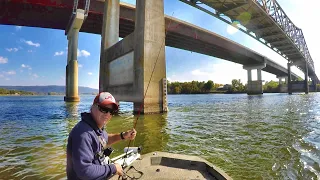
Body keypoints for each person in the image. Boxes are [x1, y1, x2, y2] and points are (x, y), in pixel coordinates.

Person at [66, 92, 137, 180]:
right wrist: (113, 168)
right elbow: (84, 171)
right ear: (93, 107)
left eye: (111, 111)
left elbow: (104, 140)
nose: (108, 114)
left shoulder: (95, 127)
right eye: (104, 109)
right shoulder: (83, 134)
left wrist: (123, 136)